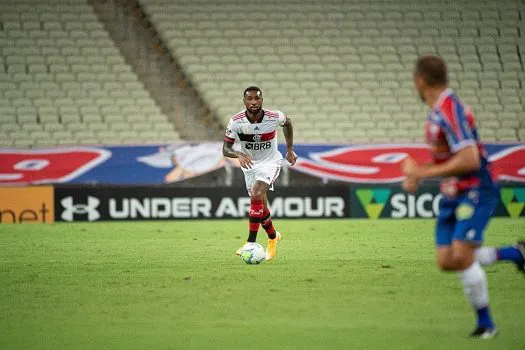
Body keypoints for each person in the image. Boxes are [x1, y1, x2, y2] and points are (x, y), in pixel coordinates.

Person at [402, 54, 525, 339]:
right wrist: (420, 173)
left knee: (462, 255)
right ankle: (515, 253)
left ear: (420, 81)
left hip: (475, 189)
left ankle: (487, 325)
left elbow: (470, 159)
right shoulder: (437, 112)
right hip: (453, 191)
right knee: (447, 260)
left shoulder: (449, 109)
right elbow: (449, 156)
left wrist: (421, 173)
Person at [222, 86, 297, 260]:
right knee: (261, 207)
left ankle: (250, 243)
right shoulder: (236, 122)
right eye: (250, 99)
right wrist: (238, 153)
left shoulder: (273, 117)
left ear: (262, 100)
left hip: (271, 162)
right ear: (244, 101)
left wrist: (290, 149)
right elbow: (226, 149)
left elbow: (288, 122)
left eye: (257, 98)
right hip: (250, 165)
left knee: (256, 193)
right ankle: (273, 237)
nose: (254, 102)